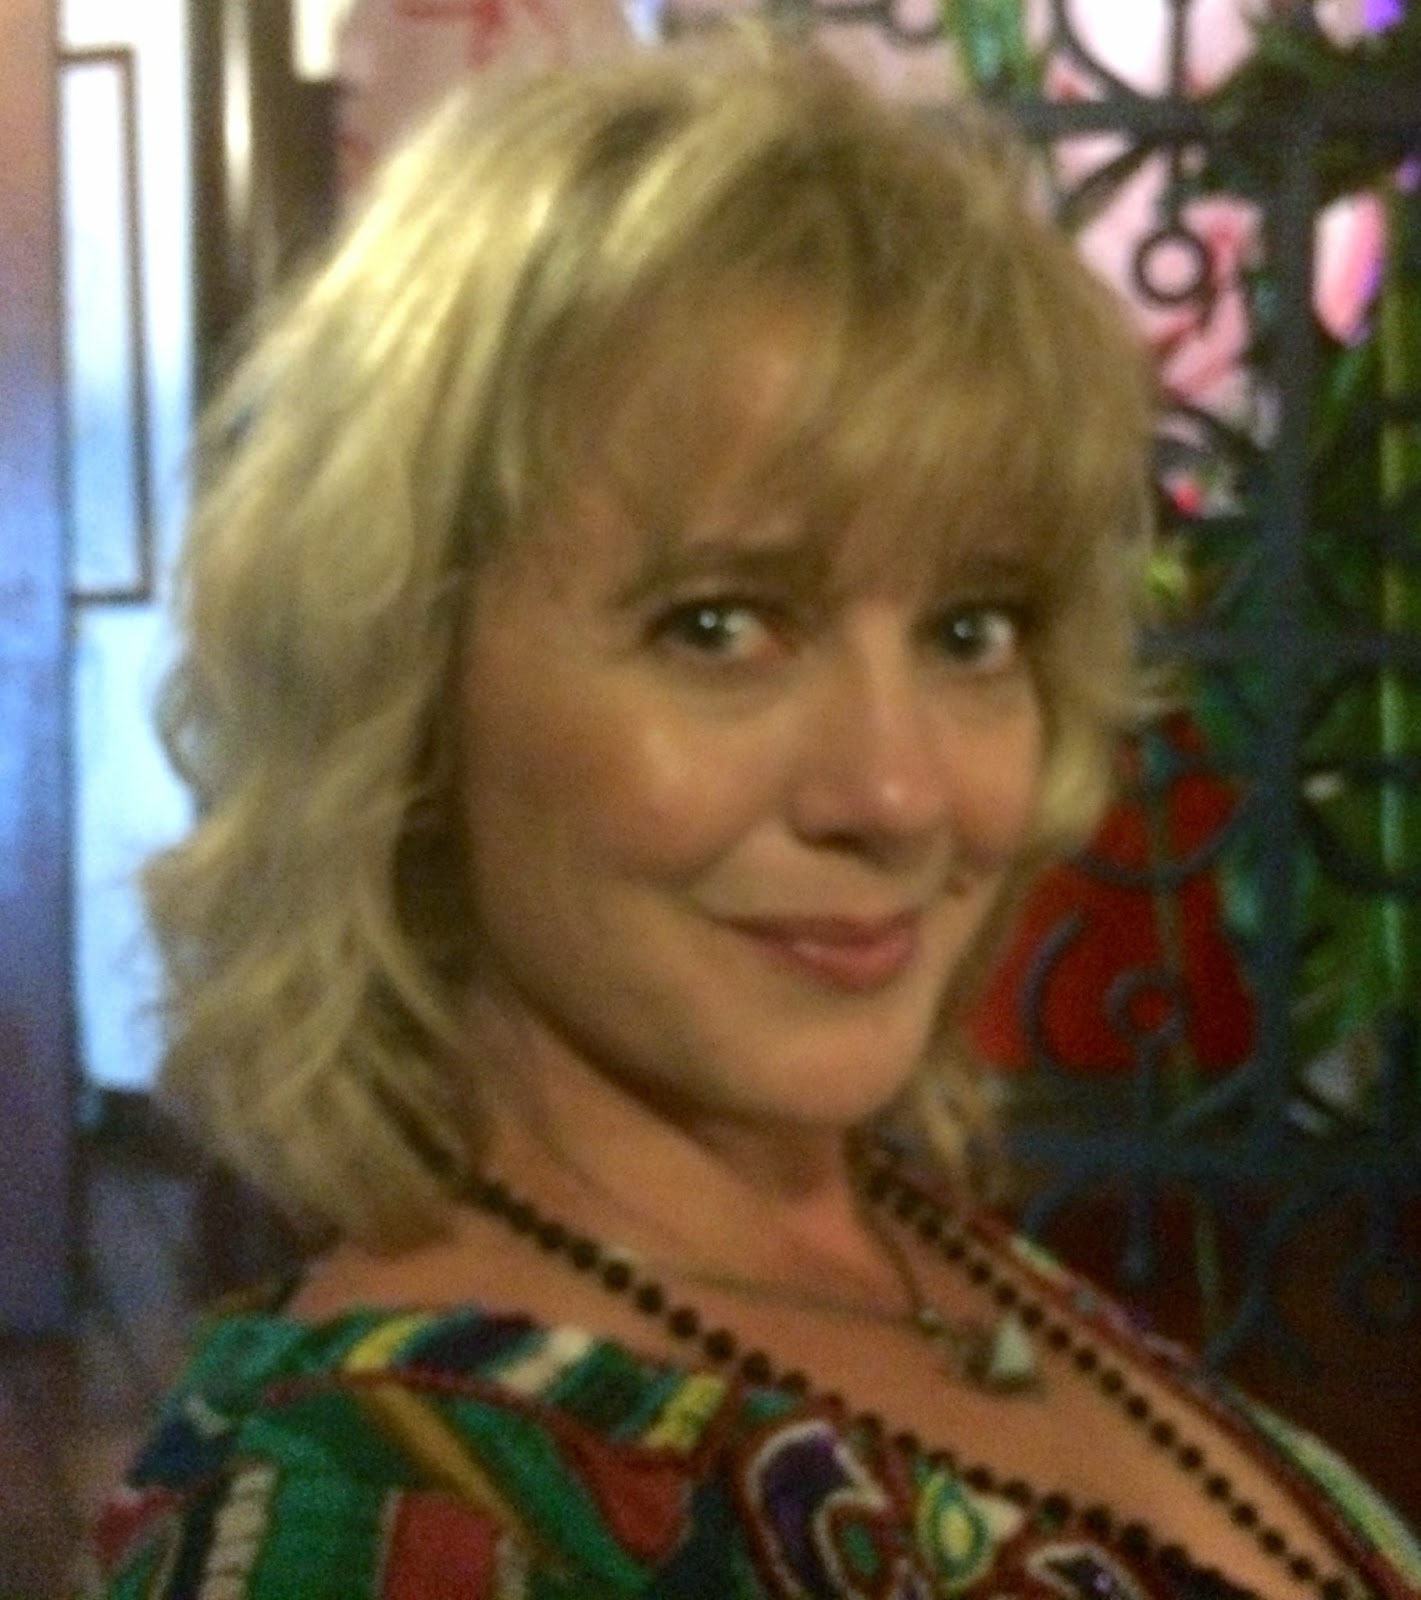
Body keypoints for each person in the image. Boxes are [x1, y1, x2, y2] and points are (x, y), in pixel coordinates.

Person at [88, 32, 1421, 1600]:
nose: (898, 795)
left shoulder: (905, 1252)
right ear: (403, 680)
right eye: (718, 625)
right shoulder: (377, 1520)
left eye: (971, 628)